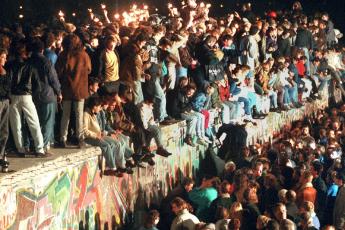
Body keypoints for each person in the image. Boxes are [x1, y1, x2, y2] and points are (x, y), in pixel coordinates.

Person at [7, 40, 46, 157]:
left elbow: (7, 82)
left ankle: (20, 149)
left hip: (13, 96)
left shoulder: (10, 65)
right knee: (34, 122)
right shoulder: (30, 66)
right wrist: (32, 95)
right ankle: (39, 149)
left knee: (16, 124)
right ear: (25, 53)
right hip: (27, 96)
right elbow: (38, 85)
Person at [56, 34, 91, 148]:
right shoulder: (84, 55)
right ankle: (79, 139)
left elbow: (58, 71)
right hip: (80, 89)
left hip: (66, 88)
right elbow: (89, 70)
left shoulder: (63, 55)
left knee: (65, 115)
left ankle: (62, 139)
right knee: (78, 115)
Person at [30, 37, 62, 153]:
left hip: (33, 95)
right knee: (47, 122)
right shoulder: (46, 61)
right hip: (47, 94)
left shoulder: (29, 61)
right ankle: (43, 146)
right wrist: (59, 92)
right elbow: (53, 78)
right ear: (42, 49)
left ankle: (35, 144)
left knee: (36, 121)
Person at [0, 48, 10, 171]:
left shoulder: (5, 71)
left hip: (5, 101)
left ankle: (1, 154)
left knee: (4, 130)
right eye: (3, 57)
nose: (5, 59)